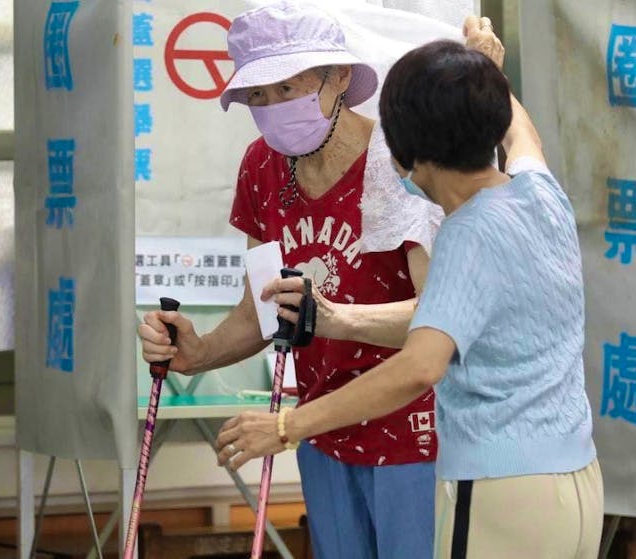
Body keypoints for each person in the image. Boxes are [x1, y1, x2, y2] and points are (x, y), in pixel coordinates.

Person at [215, 20, 605, 559]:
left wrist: (287, 425)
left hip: (499, 488)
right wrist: (483, 70)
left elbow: (420, 366)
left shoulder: (467, 236)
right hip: (576, 483)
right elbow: (521, 133)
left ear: (402, 152)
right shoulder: (542, 193)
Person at [139, 3, 501, 558]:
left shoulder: (396, 161)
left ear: (337, 77)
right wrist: (199, 352)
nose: (270, 108)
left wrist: (332, 315)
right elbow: (265, 310)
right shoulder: (261, 166)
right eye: (256, 96)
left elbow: (440, 318)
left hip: (415, 429)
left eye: (286, 88)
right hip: (320, 429)